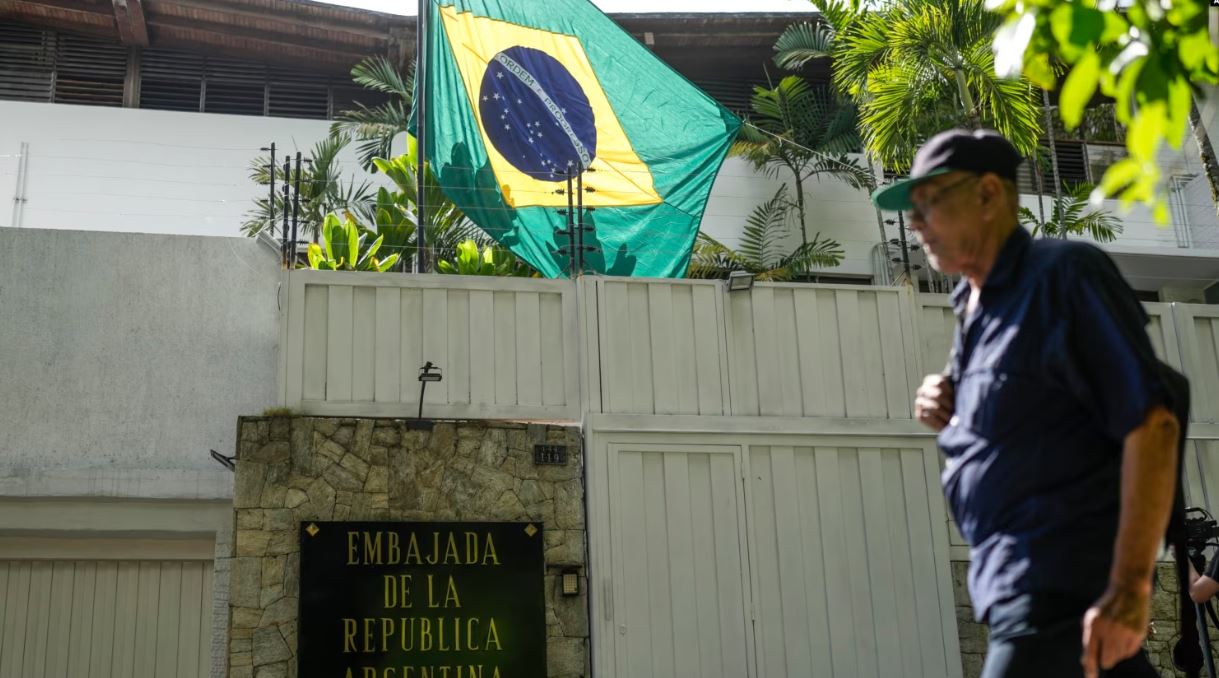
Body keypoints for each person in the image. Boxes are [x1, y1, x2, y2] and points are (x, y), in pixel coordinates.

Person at [872, 129, 1182, 678]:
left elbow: (1153, 423)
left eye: (929, 202)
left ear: (989, 195)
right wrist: (944, 402)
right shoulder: (971, 303)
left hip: (1059, 585)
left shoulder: (1064, 276)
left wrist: (1132, 587)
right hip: (1016, 591)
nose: (915, 223)